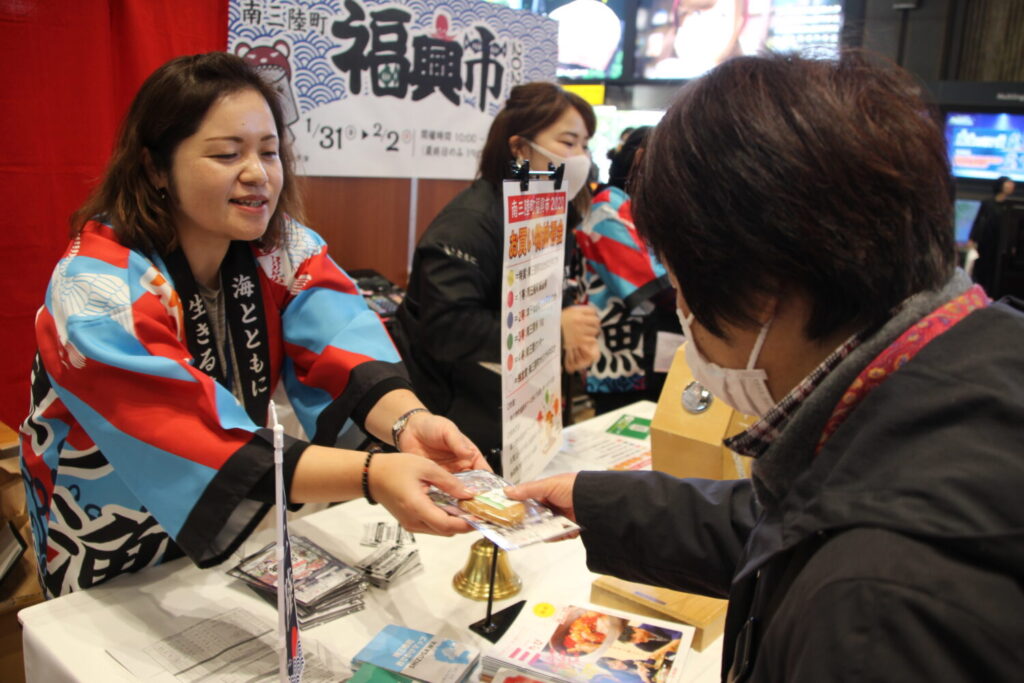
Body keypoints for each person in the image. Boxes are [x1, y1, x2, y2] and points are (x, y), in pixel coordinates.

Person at [508, 52, 1024, 681]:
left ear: (760, 291)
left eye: (681, 286)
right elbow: (801, 524)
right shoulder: (972, 366)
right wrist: (594, 501)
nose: (684, 313)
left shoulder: (876, 611)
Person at [20, 53, 487, 599]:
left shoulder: (280, 247)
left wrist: (408, 422)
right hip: (106, 523)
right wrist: (372, 475)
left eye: (269, 151)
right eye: (227, 154)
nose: (257, 174)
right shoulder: (96, 289)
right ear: (154, 167)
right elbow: (186, 432)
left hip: (230, 509)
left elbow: (341, 341)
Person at [395, 82, 601, 469]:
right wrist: (554, 329)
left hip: (526, 420)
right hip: (461, 426)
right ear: (520, 148)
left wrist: (571, 341)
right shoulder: (469, 224)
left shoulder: (550, 214)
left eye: (585, 145)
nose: (581, 158)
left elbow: (549, 301)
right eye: (568, 142)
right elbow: (447, 328)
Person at [576, 126, 679, 413]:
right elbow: (657, 287)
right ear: (643, 158)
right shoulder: (608, 206)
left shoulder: (645, 207)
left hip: (653, 356)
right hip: (626, 364)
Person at [968, 175, 1015, 295]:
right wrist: (972, 238)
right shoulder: (987, 203)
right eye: (1008, 184)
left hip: (1001, 243)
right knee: (983, 267)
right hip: (986, 241)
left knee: (997, 269)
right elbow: (978, 221)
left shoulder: (1010, 206)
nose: (1011, 186)